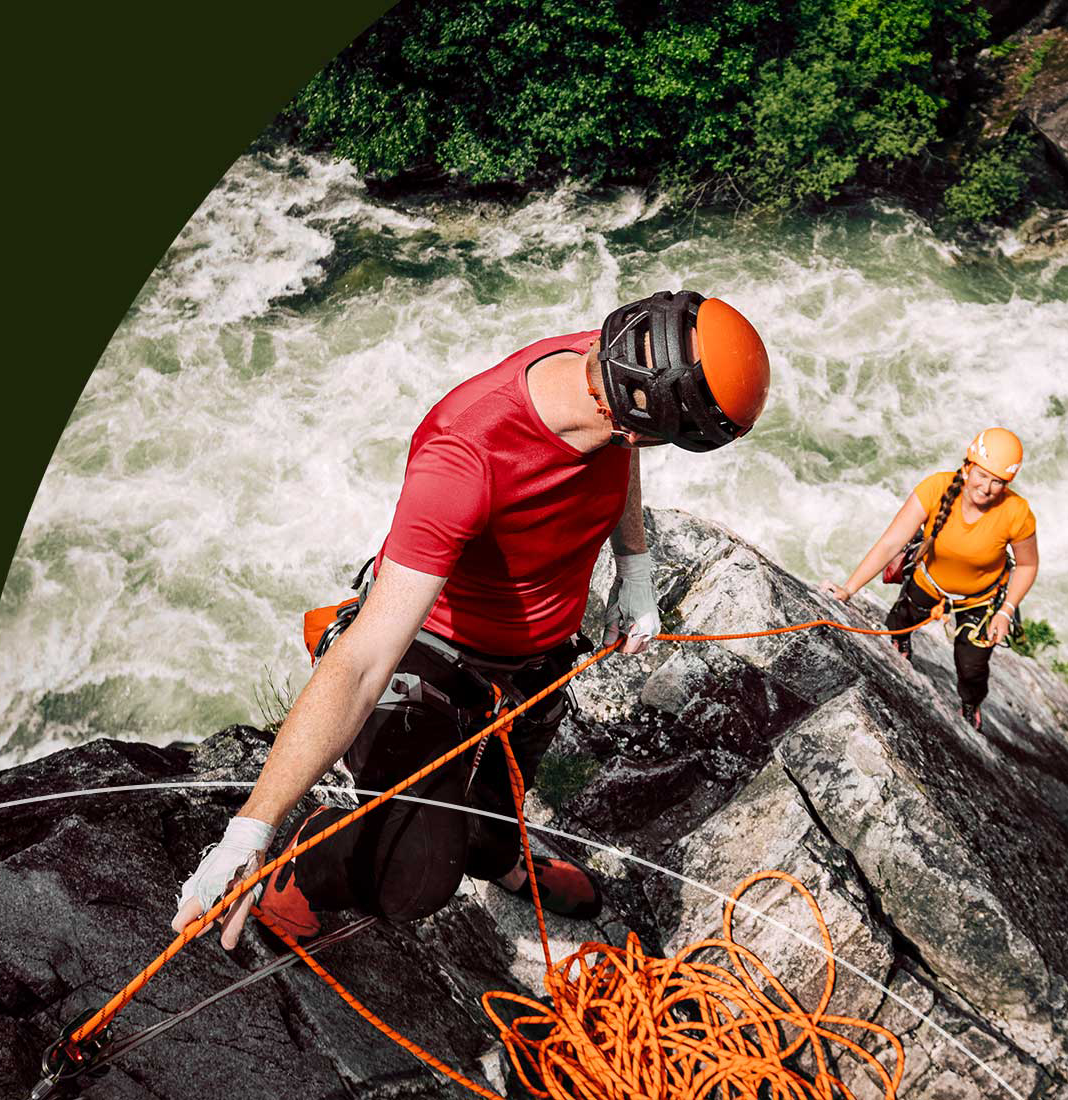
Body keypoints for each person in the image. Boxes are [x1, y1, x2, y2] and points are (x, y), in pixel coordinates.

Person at [170, 291, 772, 949]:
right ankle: (306, 869)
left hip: (536, 649)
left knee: (501, 788)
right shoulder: (465, 456)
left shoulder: (614, 362)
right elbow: (365, 658)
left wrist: (635, 564)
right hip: (431, 651)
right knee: (416, 883)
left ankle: (497, 858)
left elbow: (622, 447)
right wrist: (250, 829)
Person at [819, 428, 1040, 729]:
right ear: (967, 467)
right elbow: (891, 543)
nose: (986, 487)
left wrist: (1006, 611)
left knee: (972, 666)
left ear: (1007, 484)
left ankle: (970, 702)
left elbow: (1027, 565)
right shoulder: (936, 488)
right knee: (898, 624)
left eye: (997, 481)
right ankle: (902, 645)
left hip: (980, 600)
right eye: (981, 475)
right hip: (927, 582)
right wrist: (849, 589)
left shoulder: (1016, 513)